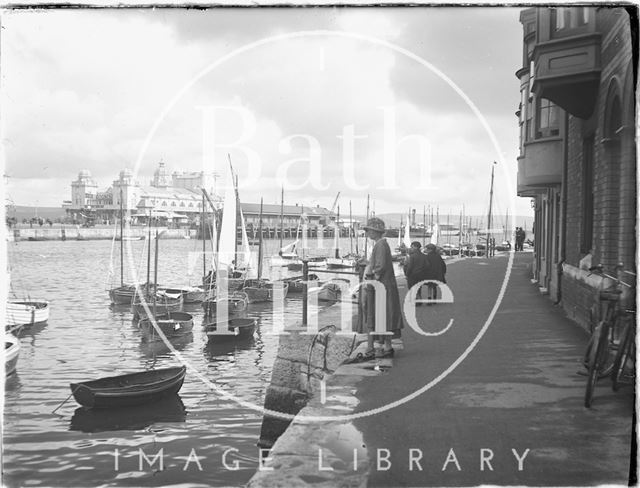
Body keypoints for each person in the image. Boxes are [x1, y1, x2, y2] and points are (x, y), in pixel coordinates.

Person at [353, 217, 403, 361]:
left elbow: (379, 267)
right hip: (385, 285)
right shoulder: (382, 244)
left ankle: (375, 348)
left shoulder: (380, 245)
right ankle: (386, 347)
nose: (367, 233)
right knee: (385, 316)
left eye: (369, 230)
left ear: (375, 232)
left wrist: (370, 276)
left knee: (377, 315)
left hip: (380, 287)